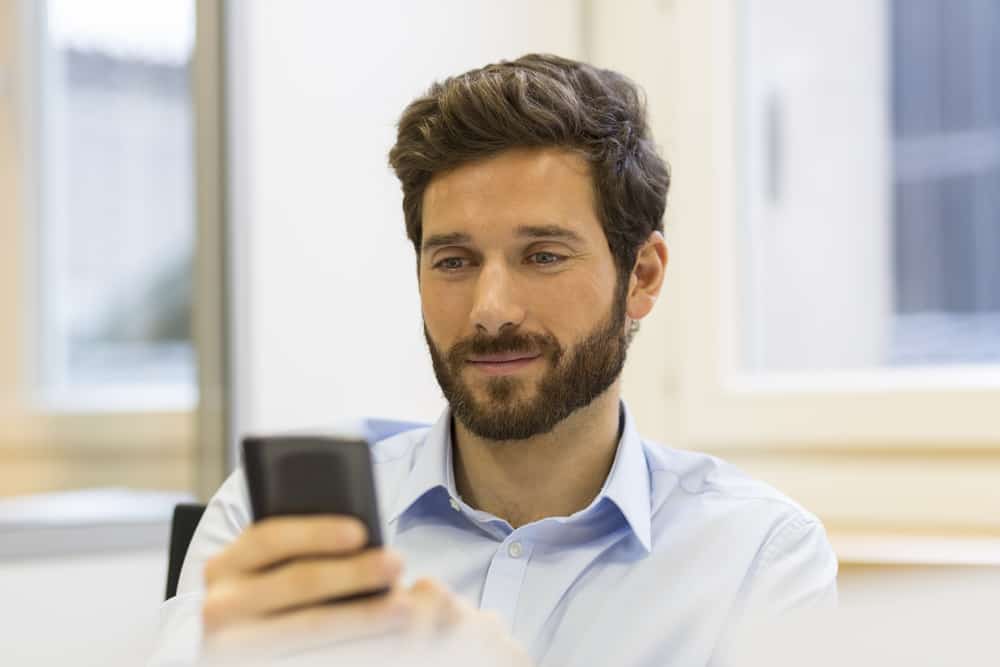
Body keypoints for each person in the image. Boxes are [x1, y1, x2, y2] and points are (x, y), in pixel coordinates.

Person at [148, 54, 837, 667]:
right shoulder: (273, 525)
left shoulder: (759, 558)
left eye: (542, 255)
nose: (491, 308)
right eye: (454, 260)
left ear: (643, 275)